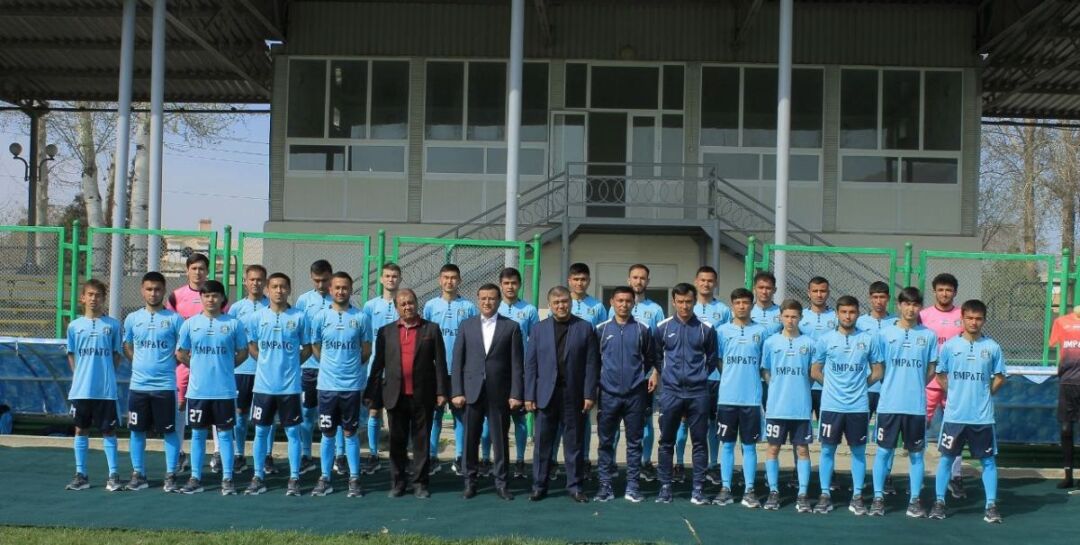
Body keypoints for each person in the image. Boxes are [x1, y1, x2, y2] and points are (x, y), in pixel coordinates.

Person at [364, 288, 448, 499]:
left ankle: (420, 483)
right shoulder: (386, 331)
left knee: (421, 442)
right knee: (397, 442)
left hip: (423, 395)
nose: (407, 307)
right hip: (395, 395)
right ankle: (398, 483)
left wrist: (441, 392)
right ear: (396, 308)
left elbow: (440, 364)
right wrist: (372, 394)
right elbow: (378, 365)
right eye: (403, 304)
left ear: (417, 303)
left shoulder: (431, 329)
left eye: (410, 302)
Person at [930, 299, 1006, 523]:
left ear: (984, 320)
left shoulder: (992, 347)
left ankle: (991, 506)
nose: (974, 322)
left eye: (978, 318)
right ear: (962, 319)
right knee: (946, 459)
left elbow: (1000, 376)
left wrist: (985, 394)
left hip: (982, 418)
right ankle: (939, 502)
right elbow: (940, 374)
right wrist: (953, 392)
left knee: (988, 462)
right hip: (954, 416)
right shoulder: (950, 347)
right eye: (970, 318)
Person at [868, 287, 939, 517]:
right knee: (883, 452)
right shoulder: (884, 334)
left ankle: (914, 500)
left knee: (916, 455)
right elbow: (879, 368)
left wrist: (915, 384)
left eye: (915, 304)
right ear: (899, 305)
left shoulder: (928, 336)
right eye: (907, 304)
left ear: (920, 308)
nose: (911, 309)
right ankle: (878, 498)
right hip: (889, 404)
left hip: (915, 407)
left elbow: (931, 369)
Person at [525, 286, 600, 503]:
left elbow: (591, 364)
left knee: (574, 444)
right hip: (545, 395)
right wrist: (529, 395)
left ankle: (575, 486)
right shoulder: (538, 329)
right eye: (556, 302)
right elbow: (531, 365)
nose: (561, 306)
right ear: (549, 305)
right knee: (542, 444)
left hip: (573, 395)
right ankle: (539, 486)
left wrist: (589, 394)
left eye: (564, 301)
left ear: (571, 302)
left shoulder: (585, 328)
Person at [810, 295, 883, 515]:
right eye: (843, 312)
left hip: (858, 406)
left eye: (852, 312)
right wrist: (831, 385)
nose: (848, 316)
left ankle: (857, 496)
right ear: (837, 314)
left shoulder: (868, 339)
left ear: (858, 314)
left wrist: (862, 385)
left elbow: (878, 370)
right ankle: (825, 495)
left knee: (858, 452)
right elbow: (815, 370)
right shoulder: (825, 339)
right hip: (831, 406)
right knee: (827, 450)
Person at [176, 280, 249, 495]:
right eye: (206, 296)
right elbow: (180, 352)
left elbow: (243, 352)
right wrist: (196, 366)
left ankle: (227, 478)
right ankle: (195, 478)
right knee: (198, 435)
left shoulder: (233, 324)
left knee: (225, 435)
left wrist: (227, 366)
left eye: (215, 295)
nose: (211, 299)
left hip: (224, 391)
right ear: (201, 298)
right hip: (198, 391)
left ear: (222, 298)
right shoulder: (190, 324)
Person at [453, 283, 524, 500]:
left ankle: (501, 483)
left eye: (492, 298)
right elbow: (457, 361)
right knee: (470, 439)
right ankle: (470, 481)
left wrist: (516, 393)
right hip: (471, 391)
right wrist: (457, 391)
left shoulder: (511, 327)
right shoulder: (466, 325)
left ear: (499, 300)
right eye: (483, 298)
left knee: (500, 440)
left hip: (499, 392)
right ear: (478, 300)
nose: (487, 302)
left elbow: (516, 364)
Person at [244, 273, 312, 496]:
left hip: (290, 387)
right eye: (274, 286)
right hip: (263, 387)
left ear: (289, 289)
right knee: (261, 431)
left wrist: (293, 364)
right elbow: (252, 345)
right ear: (267, 289)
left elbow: (308, 348)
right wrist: (263, 361)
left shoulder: (299, 317)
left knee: (293, 432)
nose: (279, 291)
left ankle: (294, 478)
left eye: (283, 287)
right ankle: (258, 476)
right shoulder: (257, 317)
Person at [654, 283, 717, 505]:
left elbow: (711, 359)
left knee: (699, 442)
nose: (684, 306)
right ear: (673, 302)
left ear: (694, 301)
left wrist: (698, 377)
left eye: (688, 301)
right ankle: (665, 487)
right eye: (680, 302)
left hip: (698, 393)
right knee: (666, 441)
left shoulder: (706, 329)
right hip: (670, 393)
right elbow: (657, 357)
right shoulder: (662, 328)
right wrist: (668, 376)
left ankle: (698, 489)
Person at [594, 287, 659, 503]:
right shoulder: (601, 330)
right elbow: (594, 362)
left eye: (628, 301)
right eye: (620, 300)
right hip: (608, 395)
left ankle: (633, 486)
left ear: (633, 303)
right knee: (606, 442)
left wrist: (638, 380)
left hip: (635, 396)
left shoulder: (642, 329)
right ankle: (605, 486)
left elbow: (650, 359)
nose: (624, 305)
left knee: (634, 442)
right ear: (612, 302)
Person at [309, 272, 372, 497]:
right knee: (327, 434)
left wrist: (351, 367)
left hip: (351, 387)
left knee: (350, 432)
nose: (341, 291)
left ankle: (354, 478)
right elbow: (315, 346)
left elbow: (366, 350)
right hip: (326, 386)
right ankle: (325, 478)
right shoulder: (320, 317)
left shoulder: (361, 317)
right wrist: (329, 365)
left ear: (351, 290)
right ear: (330, 289)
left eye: (345, 288)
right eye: (337, 287)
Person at [122, 272, 184, 492]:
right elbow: (127, 345)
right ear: (142, 290)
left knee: (169, 430)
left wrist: (169, 365)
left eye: (157, 289)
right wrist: (139, 362)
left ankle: (171, 474)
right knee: (137, 431)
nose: (153, 293)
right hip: (138, 386)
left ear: (164, 291)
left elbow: (183, 349)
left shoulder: (175, 319)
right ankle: (138, 474)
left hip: (165, 386)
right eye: (149, 289)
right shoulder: (132, 318)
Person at [64, 279, 124, 492]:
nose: (93, 299)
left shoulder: (113, 325)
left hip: (105, 390)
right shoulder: (74, 326)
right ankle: (81, 475)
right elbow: (71, 355)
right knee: (81, 429)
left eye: (98, 295)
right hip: (81, 390)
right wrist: (81, 376)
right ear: (82, 298)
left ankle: (113, 475)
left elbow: (117, 356)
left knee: (109, 431)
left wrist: (104, 374)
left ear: (104, 299)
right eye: (89, 294)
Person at [675, 266, 731, 485]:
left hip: (715, 377)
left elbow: (724, 342)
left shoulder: (724, 310)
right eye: (703, 280)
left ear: (715, 283)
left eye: (710, 281)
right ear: (696, 281)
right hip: (689, 377)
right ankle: (679, 464)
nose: (706, 284)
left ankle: (712, 465)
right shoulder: (688, 305)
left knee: (712, 422)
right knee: (683, 421)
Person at [714, 288, 768, 508]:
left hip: (751, 399)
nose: (742, 306)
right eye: (737, 303)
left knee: (749, 446)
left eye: (745, 302)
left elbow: (764, 365)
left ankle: (749, 490)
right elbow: (719, 361)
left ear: (752, 305)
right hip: (727, 397)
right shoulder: (722, 331)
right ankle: (725, 488)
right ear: (732, 305)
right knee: (727, 445)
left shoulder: (761, 332)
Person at [423, 264, 478, 476]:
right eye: (446, 277)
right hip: (436, 370)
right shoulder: (430, 306)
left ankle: (460, 456)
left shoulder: (469, 307)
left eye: (453, 277)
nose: (449, 281)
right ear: (440, 280)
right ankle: (431, 456)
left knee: (460, 415)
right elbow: (425, 338)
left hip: (460, 371)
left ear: (460, 280)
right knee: (435, 415)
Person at [761, 299, 815, 512]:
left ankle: (802, 494)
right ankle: (773, 491)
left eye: (794, 316)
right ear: (780, 317)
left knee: (802, 449)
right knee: (773, 448)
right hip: (777, 407)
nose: (790, 320)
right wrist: (776, 386)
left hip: (800, 408)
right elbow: (766, 371)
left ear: (800, 317)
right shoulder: (771, 342)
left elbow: (813, 372)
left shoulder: (809, 343)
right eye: (786, 316)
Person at [920, 272, 966, 498]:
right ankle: (917, 475)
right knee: (919, 427)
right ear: (934, 291)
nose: (945, 293)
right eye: (941, 289)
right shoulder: (923, 316)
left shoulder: (963, 315)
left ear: (955, 292)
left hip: (954, 382)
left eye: (949, 290)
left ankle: (955, 477)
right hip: (929, 380)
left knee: (955, 429)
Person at [165, 252, 211, 472]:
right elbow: (169, 328)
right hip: (183, 362)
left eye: (201, 268)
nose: (198, 272)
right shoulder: (176, 296)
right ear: (187, 270)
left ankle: (218, 454)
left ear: (207, 271)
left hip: (209, 363)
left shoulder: (214, 294)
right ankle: (179, 453)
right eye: (194, 268)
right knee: (180, 404)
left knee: (212, 405)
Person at [492, 267, 539, 479]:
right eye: (506, 283)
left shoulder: (529, 310)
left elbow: (535, 340)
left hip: (520, 373)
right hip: (497, 373)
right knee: (492, 421)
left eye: (514, 283)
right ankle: (488, 459)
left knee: (520, 420)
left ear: (519, 285)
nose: (510, 287)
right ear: (501, 285)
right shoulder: (493, 307)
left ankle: (520, 460)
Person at [623, 264, 665, 482]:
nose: (638, 281)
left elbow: (659, 344)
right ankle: (618, 463)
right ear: (628, 280)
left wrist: (656, 372)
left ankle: (645, 462)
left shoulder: (656, 309)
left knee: (646, 419)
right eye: (635, 277)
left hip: (645, 375)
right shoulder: (618, 305)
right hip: (621, 376)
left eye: (642, 278)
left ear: (648, 281)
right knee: (618, 421)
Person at [361, 262, 403, 475]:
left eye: (394, 276)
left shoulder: (404, 304)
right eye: (387, 276)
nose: (391, 279)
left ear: (400, 279)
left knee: (397, 413)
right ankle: (373, 454)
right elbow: (365, 336)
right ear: (381, 279)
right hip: (375, 368)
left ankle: (398, 454)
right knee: (374, 411)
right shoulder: (370, 306)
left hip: (398, 369)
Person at [227, 264, 269, 475]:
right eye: (252, 279)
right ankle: (239, 454)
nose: (255, 283)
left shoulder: (272, 306)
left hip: (266, 373)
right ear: (245, 282)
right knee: (240, 414)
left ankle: (267, 456)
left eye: (260, 279)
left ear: (265, 282)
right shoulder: (236, 308)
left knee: (266, 418)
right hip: (242, 370)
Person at [565, 262, 606, 480]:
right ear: (569, 281)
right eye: (575, 279)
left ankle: (586, 459)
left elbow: (602, 339)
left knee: (585, 415)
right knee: (560, 418)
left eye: (583, 279)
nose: (579, 283)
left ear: (588, 281)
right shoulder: (562, 302)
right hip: (563, 370)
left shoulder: (597, 307)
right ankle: (556, 460)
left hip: (586, 370)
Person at [294, 259, 334, 475]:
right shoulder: (303, 300)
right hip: (309, 368)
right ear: (311, 278)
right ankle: (306, 455)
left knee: (334, 416)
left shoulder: (340, 298)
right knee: (308, 413)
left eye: (325, 280)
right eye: (317, 280)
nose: (321, 285)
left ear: (331, 277)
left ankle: (339, 456)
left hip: (333, 369)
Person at [1049, 304, 1080, 491]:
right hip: (1067, 382)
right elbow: (1054, 346)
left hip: (1070, 381)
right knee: (1066, 429)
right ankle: (1068, 475)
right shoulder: (1061, 322)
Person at [800, 276, 836, 425]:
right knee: (801, 428)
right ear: (808, 293)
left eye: (823, 291)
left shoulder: (836, 316)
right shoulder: (800, 316)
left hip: (827, 381)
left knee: (828, 429)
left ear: (828, 293)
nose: (819, 294)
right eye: (815, 291)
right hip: (803, 382)